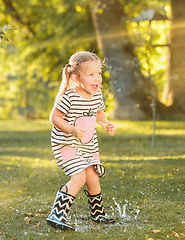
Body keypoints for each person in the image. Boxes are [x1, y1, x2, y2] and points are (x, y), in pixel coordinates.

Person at [46, 51, 116, 230]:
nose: (97, 78)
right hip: (66, 145)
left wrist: (106, 124)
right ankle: (57, 214)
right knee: (79, 176)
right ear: (76, 77)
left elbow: (99, 113)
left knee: (93, 176)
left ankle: (97, 213)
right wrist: (72, 130)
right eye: (91, 75)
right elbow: (54, 117)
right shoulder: (69, 96)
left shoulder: (97, 95)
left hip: (87, 146)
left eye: (99, 73)